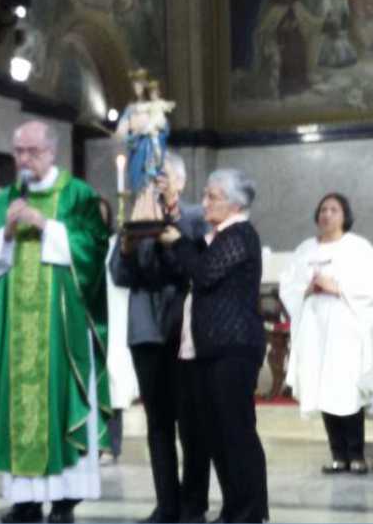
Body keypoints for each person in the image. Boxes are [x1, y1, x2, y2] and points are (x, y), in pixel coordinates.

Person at [0, 120, 111, 524]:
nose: (23, 159)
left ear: (51, 152)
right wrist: (8, 234)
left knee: (62, 401)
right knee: (20, 408)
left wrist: (46, 224)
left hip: (60, 332)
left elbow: (92, 251)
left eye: (31, 151)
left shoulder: (78, 195)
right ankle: (26, 502)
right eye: (17, 151)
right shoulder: (3, 203)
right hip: (15, 330)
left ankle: (65, 500)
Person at [160, 168, 269, 523]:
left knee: (236, 434)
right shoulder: (219, 235)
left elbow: (205, 273)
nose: (205, 202)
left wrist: (176, 241)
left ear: (235, 203)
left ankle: (249, 512)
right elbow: (201, 261)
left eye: (212, 196)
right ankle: (235, 508)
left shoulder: (241, 234)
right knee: (219, 435)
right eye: (205, 195)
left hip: (234, 348)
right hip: (213, 349)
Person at [110, 153, 213, 523]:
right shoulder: (135, 216)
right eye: (152, 176)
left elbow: (198, 269)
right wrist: (127, 244)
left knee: (192, 422)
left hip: (183, 330)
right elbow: (119, 276)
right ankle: (166, 505)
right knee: (158, 424)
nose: (158, 181)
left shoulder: (197, 220)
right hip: (145, 331)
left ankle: (193, 504)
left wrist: (169, 236)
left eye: (164, 175)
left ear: (182, 183)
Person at [278, 193, 373, 475]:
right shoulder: (304, 250)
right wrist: (307, 289)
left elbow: (372, 287)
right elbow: (288, 286)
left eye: (334, 210)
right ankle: (338, 455)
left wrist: (337, 287)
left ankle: (357, 454)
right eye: (323, 209)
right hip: (315, 330)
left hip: (345, 330)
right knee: (323, 389)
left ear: (344, 215)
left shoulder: (358, 248)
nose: (327, 215)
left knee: (347, 389)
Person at [98, 197, 137, 465]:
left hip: (115, 319)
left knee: (113, 384)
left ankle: (112, 444)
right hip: (91, 320)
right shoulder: (80, 245)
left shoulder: (115, 244)